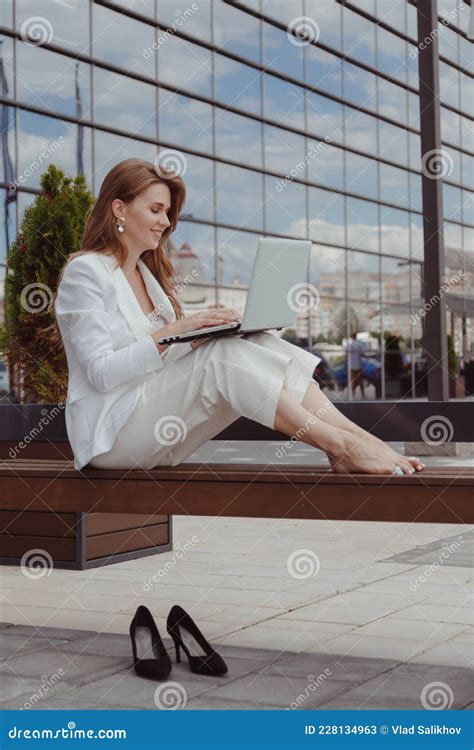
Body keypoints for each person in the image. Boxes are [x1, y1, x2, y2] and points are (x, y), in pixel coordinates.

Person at [52, 158, 425, 477]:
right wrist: (174, 333)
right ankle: (338, 445)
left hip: (158, 431)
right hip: (111, 438)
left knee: (258, 342)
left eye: (167, 212)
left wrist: (201, 336)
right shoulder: (87, 272)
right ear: (119, 209)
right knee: (223, 360)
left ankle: (359, 440)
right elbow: (99, 373)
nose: (165, 222)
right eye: (155, 210)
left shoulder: (151, 282)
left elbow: (163, 365)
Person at [346, 332, 366, 399]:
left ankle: (353, 395)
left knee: (353, 381)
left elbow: (346, 354)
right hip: (359, 365)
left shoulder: (349, 345)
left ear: (352, 337)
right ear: (356, 336)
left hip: (351, 366)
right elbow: (362, 354)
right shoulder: (359, 344)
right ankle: (363, 395)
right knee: (361, 381)